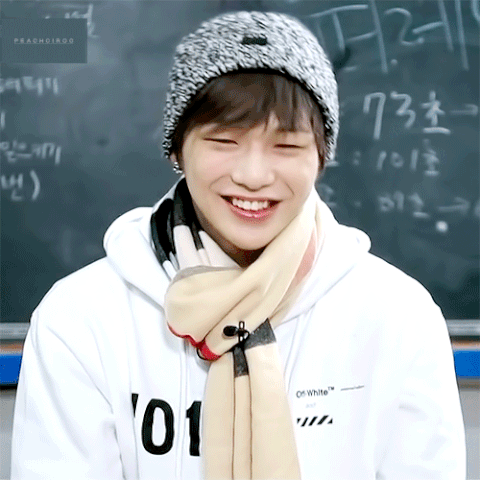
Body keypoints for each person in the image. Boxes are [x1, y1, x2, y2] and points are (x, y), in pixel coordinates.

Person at [11, 10, 466, 480]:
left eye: (286, 146)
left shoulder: (397, 317)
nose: (253, 176)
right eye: (224, 141)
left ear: (321, 156)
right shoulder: (83, 318)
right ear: (177, 148)